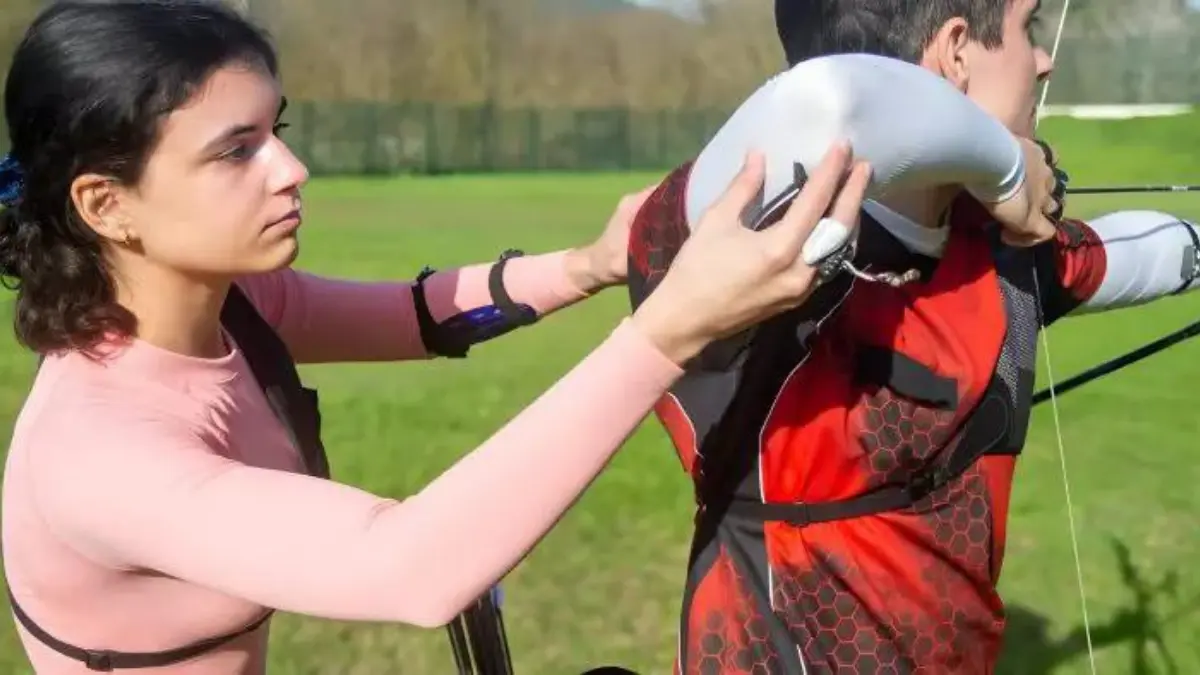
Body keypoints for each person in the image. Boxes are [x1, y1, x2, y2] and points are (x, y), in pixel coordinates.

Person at [0, 2, 877, 673]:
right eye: (237, 151)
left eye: (278, 132)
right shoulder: (98, 455)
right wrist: (668, 330)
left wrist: (590, 262)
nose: (293, 170)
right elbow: (409, 567)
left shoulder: (233, 305)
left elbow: (417, 314)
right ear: (105, 204)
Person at [626, 0, 1200, 672]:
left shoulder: (998, 248)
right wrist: (1004, 164)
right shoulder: (734, 233)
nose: (1045, 62)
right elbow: (829, 101)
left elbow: (1143, 254)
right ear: (956, 51)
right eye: (1028, 28)